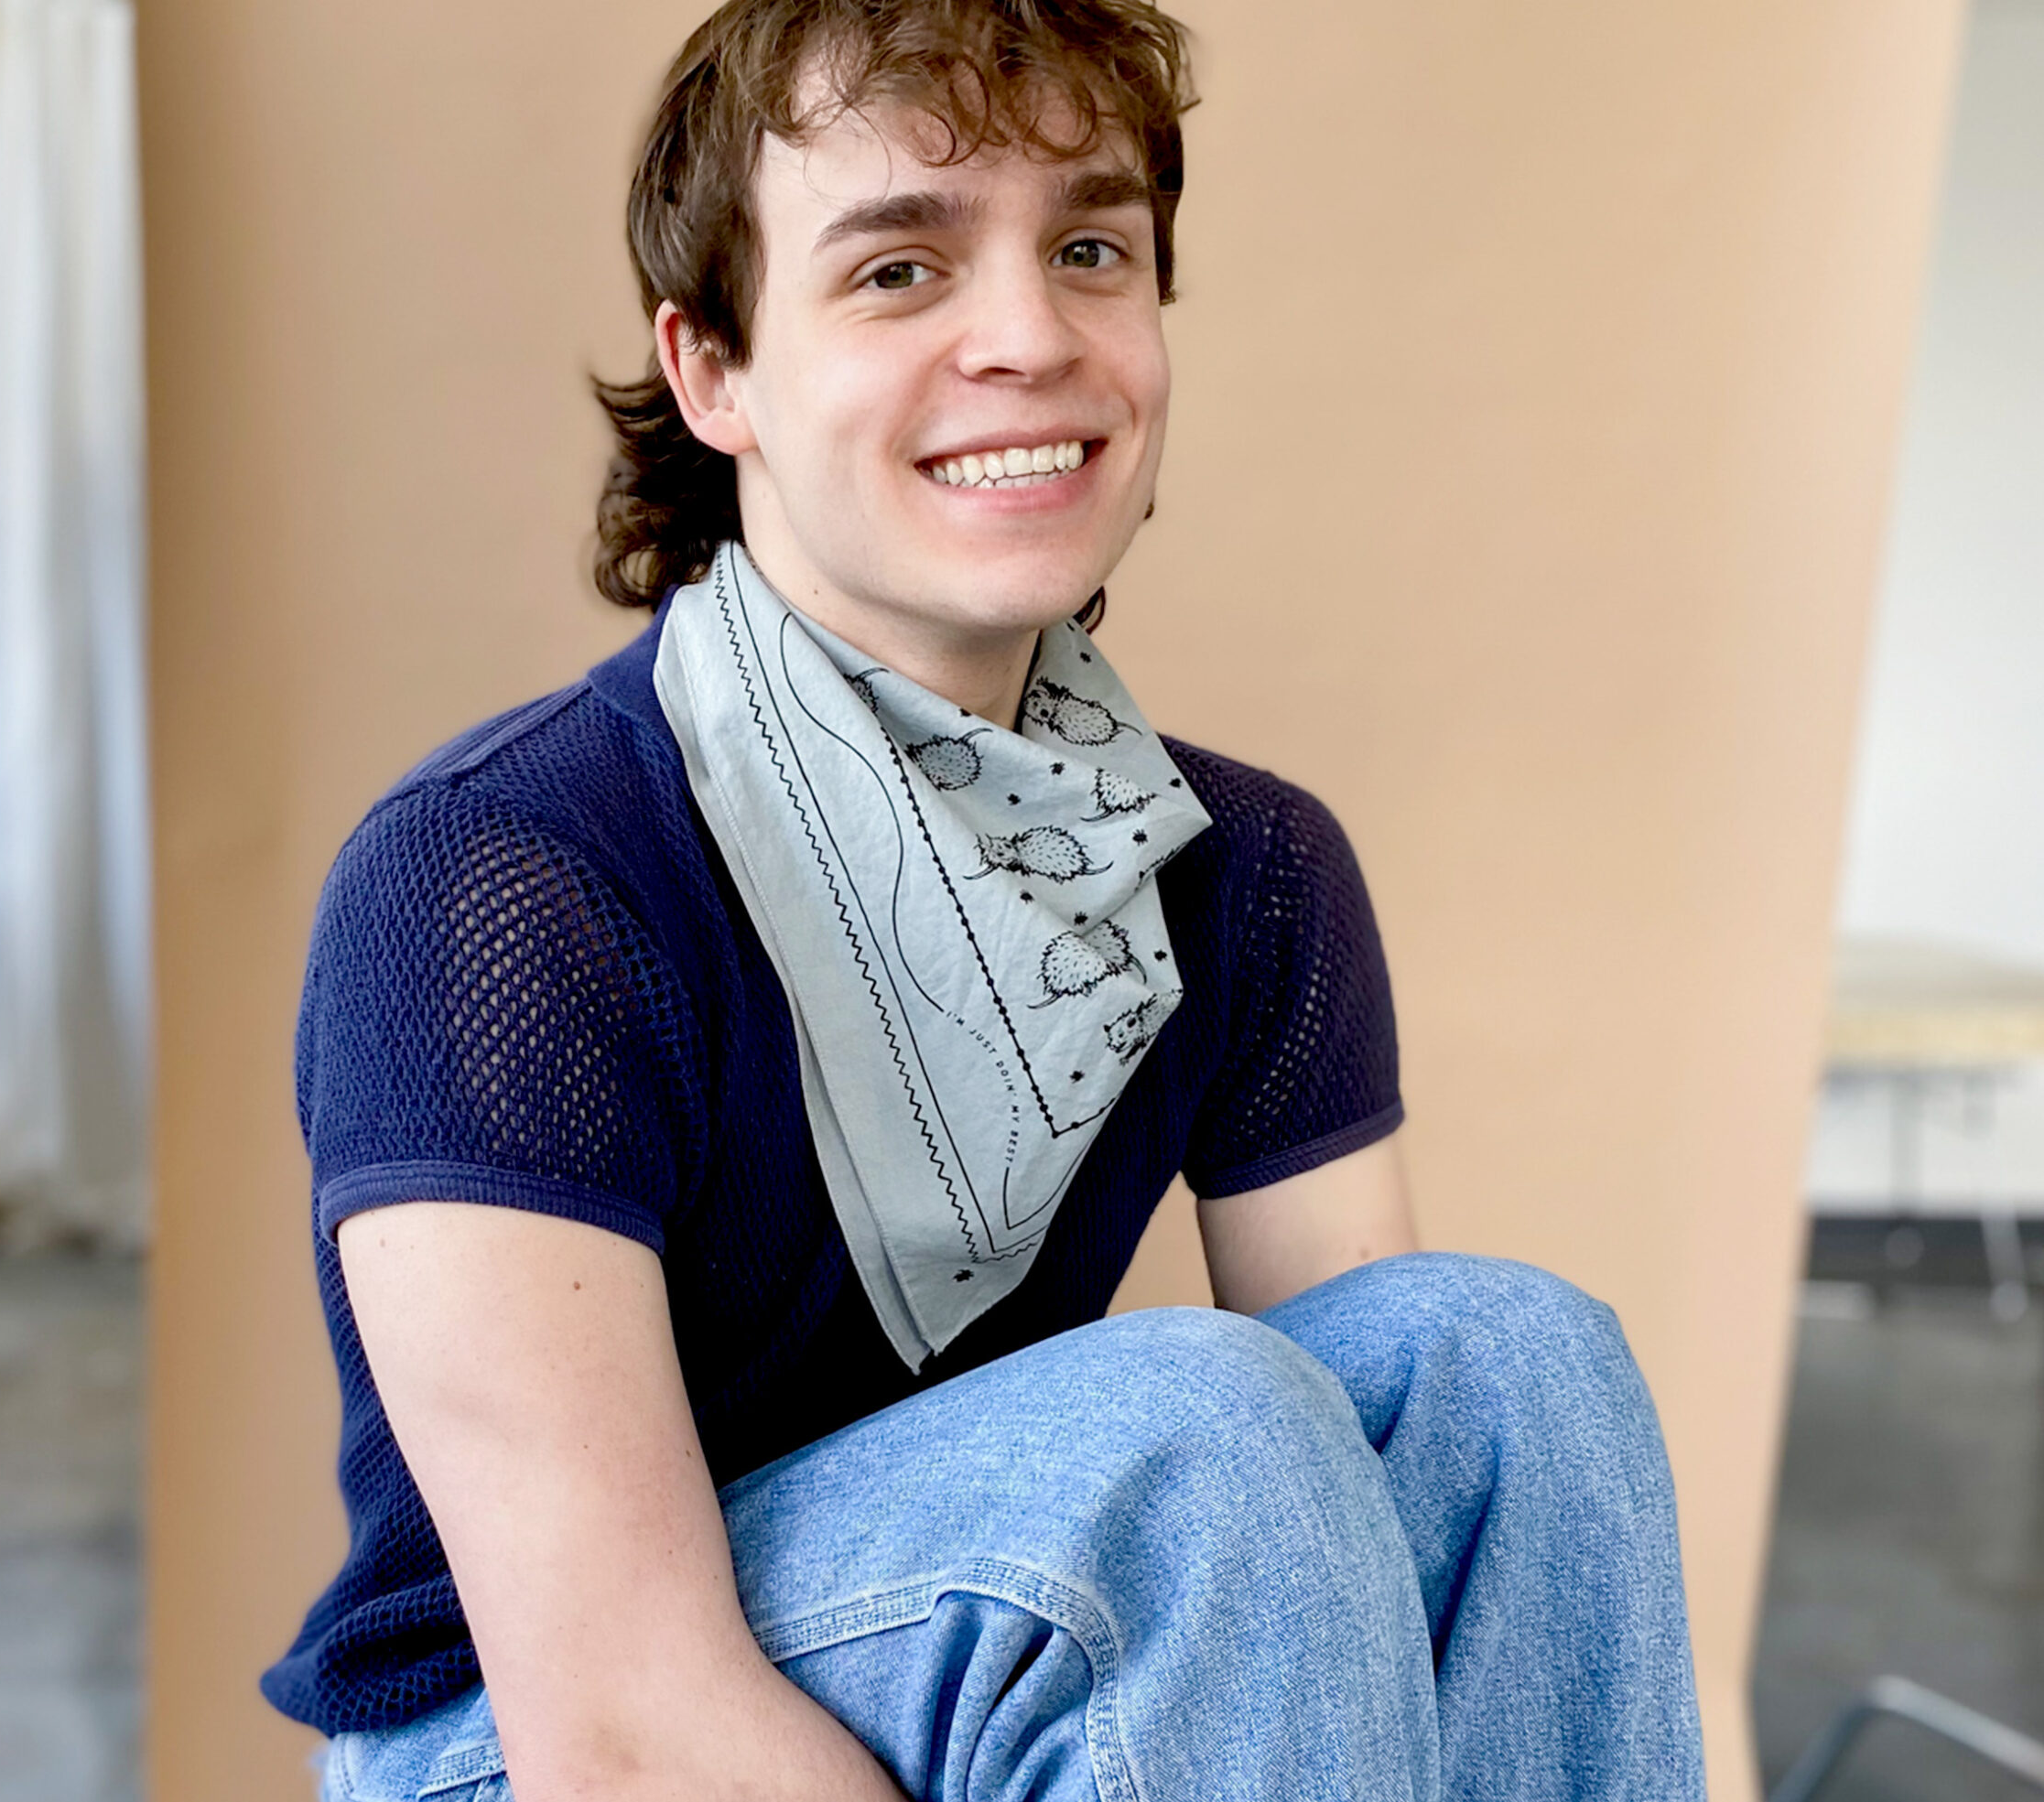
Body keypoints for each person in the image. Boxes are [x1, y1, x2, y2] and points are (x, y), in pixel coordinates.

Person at [264, 0, 1708, 1796]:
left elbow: (1396, 1522)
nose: (1028, 336)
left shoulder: (1245, 873)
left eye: (1090, 251)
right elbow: (618, 1728)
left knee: (1507, 1367)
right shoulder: (504, 876)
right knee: (1195, 1446)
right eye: (898, 270)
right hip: (541, 1738)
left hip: (982, 1651)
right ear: (713, 373)